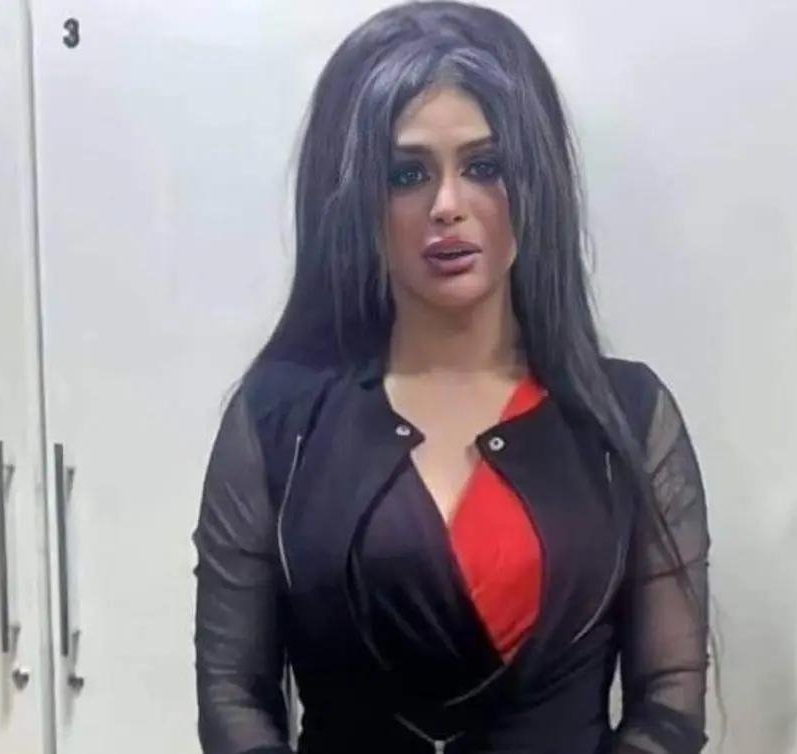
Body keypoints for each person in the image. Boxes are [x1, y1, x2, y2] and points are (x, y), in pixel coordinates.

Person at [192, 2, 710, 752]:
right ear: (357, 200)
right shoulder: (279, 421)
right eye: (407, 174)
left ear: (535, 183)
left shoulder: (625, 418)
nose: (447, 206)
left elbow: (669, 703)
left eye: (484, 167)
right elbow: (233, 694)